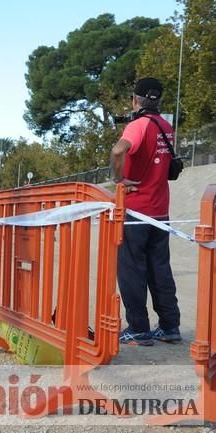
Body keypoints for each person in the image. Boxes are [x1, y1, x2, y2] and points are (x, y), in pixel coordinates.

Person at [109, 77, 181, 346]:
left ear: (135, 99)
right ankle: (170, 325)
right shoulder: (166, 126)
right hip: (161, 212)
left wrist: (119, 180)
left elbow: (118, 152)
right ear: (158, 100)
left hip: (136, 211)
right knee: (160, 269)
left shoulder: (138, 125)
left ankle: (139, 328)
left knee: (131, 270)